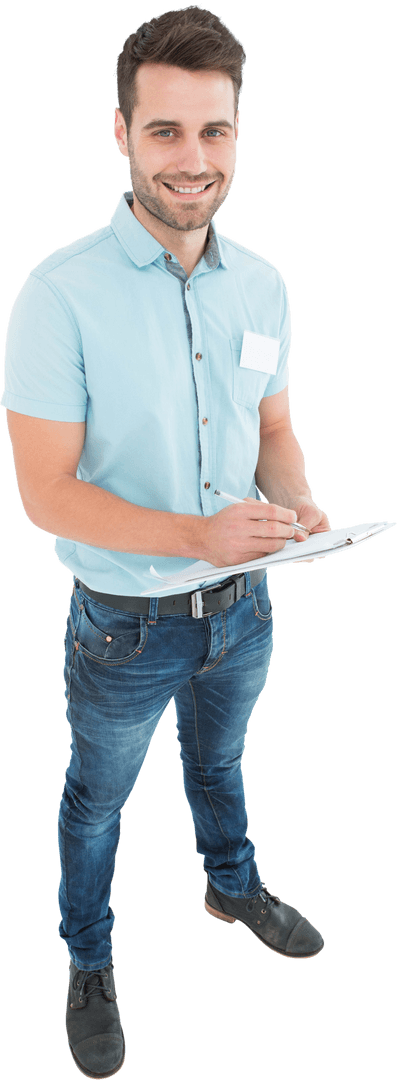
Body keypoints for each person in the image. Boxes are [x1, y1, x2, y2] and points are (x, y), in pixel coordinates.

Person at [1, 6, 331, 1078]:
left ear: (237, 133)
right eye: (166, 132)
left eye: (215, 132)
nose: (193, 160)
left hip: (244, 612)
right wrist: (196, 532)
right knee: (96, 807)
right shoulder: (58, 296)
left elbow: (271, 432)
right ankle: (89, 965)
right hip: (122, 630)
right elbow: (46, 496)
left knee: (222, 761)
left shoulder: (264, 284)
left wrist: (297, 504)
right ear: (120, 133)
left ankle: (229, 885)